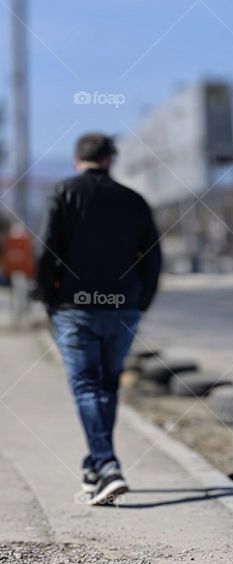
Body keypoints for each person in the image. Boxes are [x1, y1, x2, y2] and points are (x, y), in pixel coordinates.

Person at [36, 133, 162, 505]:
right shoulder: (133, 200)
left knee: (88, 387)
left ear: (78, 160)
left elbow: (45, 249)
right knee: (106, 387)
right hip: (123, 308)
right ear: (110, 160)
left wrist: (47, 298)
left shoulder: (62, 192)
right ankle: (94, 467)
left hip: (74, 308)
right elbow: (153, 259)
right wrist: (141, 301)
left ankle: (107, 465)